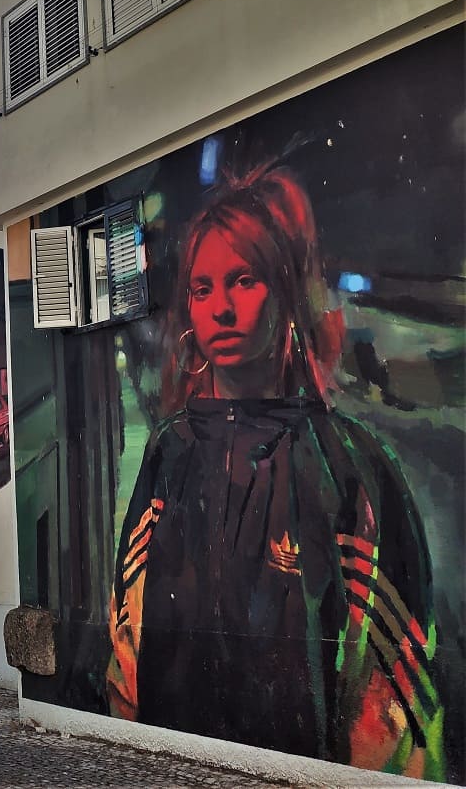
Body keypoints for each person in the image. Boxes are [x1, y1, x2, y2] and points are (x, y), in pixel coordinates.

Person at [106, 162, 444, 780]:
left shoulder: (350, 466)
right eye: (203, 289)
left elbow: (393, 704)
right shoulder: (170, 451)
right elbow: (128, 633)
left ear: (284, 290)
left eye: (243, 279)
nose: (222, 309)